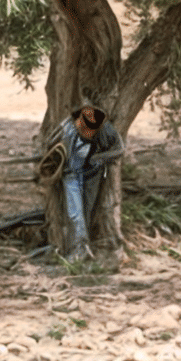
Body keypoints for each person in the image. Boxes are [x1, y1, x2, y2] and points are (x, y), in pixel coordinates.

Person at [48, 104, 125, 261]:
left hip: (92, 175)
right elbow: (50, 143)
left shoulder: (106, 130)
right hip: (70, 174)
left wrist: (101, 158)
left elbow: (120, 149)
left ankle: (82, 247)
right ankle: (79, 249)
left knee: (87, 210)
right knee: (75, 212)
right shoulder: (67, 127)